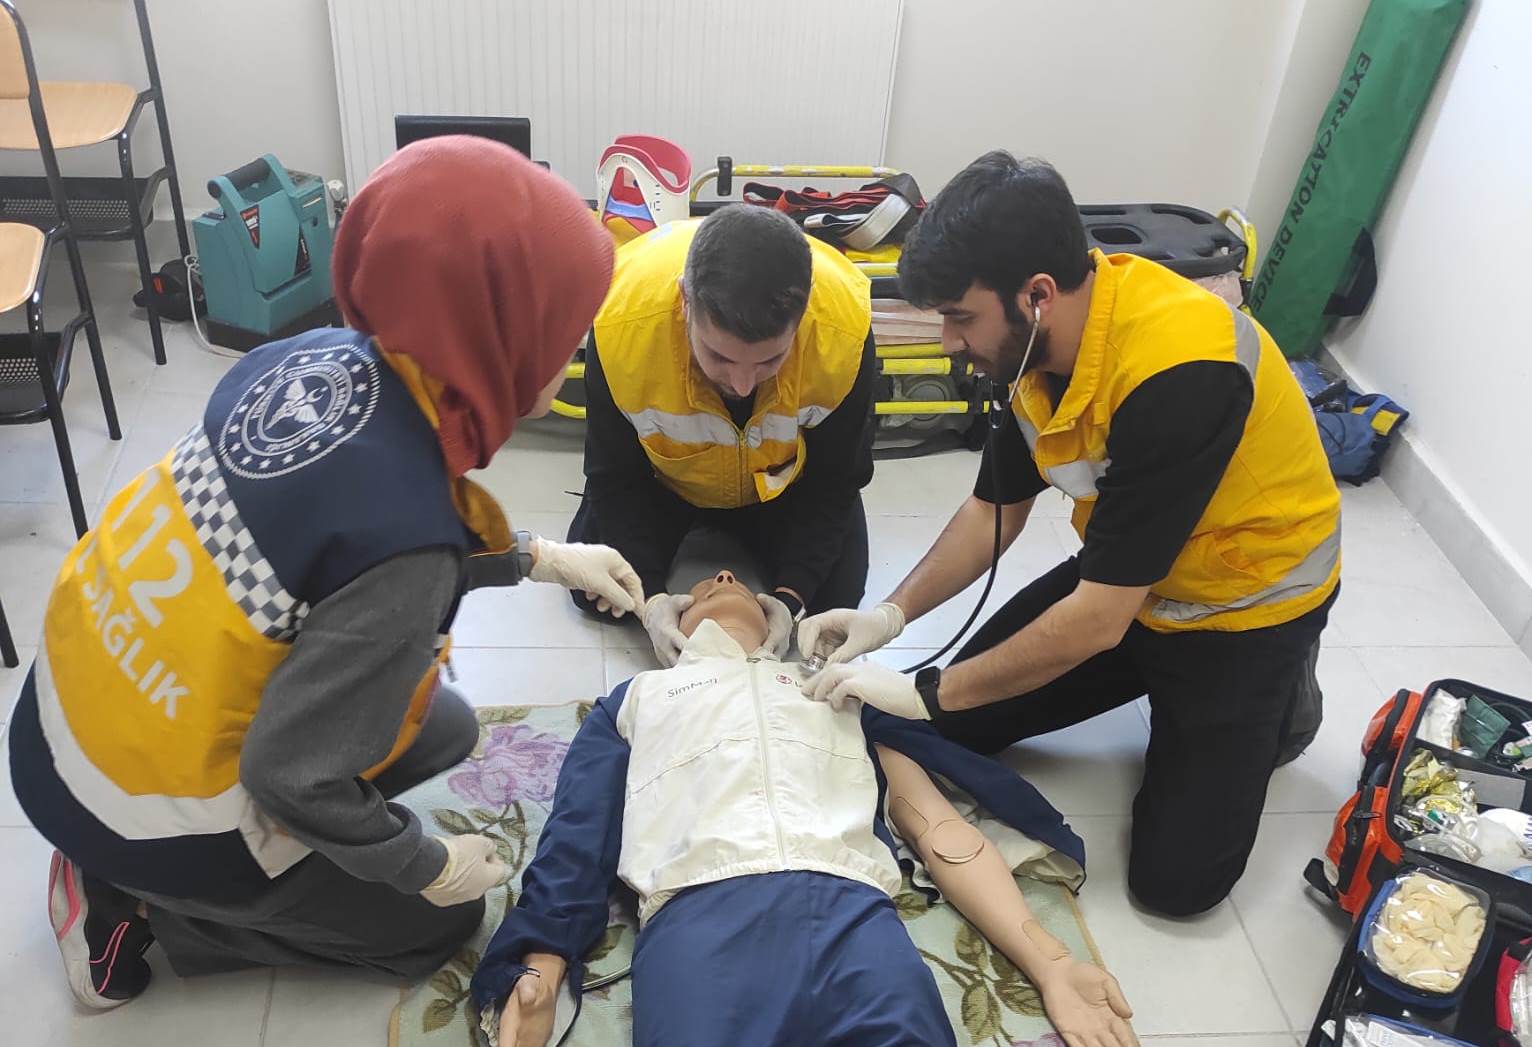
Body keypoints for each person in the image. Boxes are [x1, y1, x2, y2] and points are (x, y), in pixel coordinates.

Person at [8, 137, 646, 1009]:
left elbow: (337, 529)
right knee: (434, 926)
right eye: (566, 328)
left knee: (442, 727)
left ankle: (127, 851)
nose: (574, 350)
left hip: (72, 706)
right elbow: (290, 774)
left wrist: (536, 556)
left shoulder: (312, 360)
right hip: (136, 803)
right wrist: (424, 865)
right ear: (500, 332)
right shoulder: (407, 551)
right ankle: (134, 905)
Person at [798, 152, 1341, 918]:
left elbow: (1095, 620)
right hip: (1133, 583)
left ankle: (1284, 697)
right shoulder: (1033, 350)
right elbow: (992, 511)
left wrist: (927, 689)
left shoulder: (1180, 370)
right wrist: (889, 615)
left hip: (1244, 610)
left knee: (1175, 888)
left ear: (1037, 294)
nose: (949, 341)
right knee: (959, 723)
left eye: (959, 317)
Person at [472, 569, 1136, 1047]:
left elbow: (937, 826)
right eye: (703, 586)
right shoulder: (638, 697)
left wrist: (1051, 963)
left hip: (854, 916)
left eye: (737, 581)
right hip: (700, 916)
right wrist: (541, 965)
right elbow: (578, 832)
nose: (724, 576)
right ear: (670, 628)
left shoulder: (839, 689)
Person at [567, 204, 878, 666]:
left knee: (833, 602)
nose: (743, 385)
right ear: (685, 302)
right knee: (597, 591)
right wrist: (650, 600)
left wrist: (790, 601)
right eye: (720, 357)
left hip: (780, 485)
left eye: (770, 360)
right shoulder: (621, 327)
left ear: (802, 315)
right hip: (662, 482)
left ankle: (753, 544)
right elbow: (613, 477)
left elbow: (835, 481)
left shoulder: (843, 334)